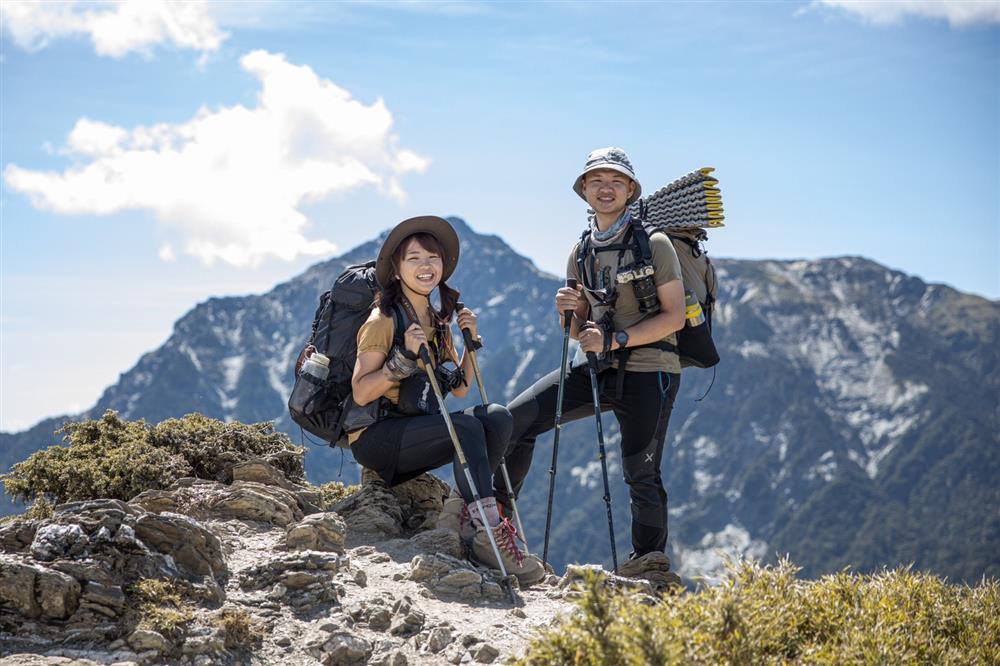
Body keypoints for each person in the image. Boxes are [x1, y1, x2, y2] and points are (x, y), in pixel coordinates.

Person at [498, 148, 686, 576]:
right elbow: (578, 330)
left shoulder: (654, 245)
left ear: (631, 191)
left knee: (641, 471)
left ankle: (649, 566)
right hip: (600, 369)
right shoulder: (579, 252)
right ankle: (497, 530)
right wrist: (569, 311)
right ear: (583, 190)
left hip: (651, 370)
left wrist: (615, 339)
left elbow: (673, 317)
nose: (606, 188)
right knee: (517, 418)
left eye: (616, 181)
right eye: (596, 180)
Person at [348, 215, 545, 585]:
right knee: (467, 425)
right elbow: (361, 391)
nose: (426, 266)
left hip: (413, 428)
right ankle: (488, 536)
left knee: (498, 417)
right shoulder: (382, 320)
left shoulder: (437, 322)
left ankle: (458, 516)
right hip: (376, 438)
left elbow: (459, 388)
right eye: (414, 258)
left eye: (433, 258)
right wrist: (403, 358)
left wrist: (471, 342)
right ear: (396, 268)